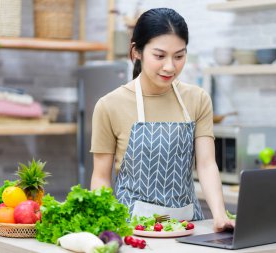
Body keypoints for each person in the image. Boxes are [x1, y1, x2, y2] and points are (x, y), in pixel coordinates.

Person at [90, 7, 234, 232]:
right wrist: (106, 226)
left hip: (188, 225)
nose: (170, 67)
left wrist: (220, 216)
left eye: (179, 56)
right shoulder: (109, 105)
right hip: (131, 229)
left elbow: (206, 164)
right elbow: (101, 177)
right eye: (159, 56)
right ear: (136, 51)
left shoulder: (197, 99)